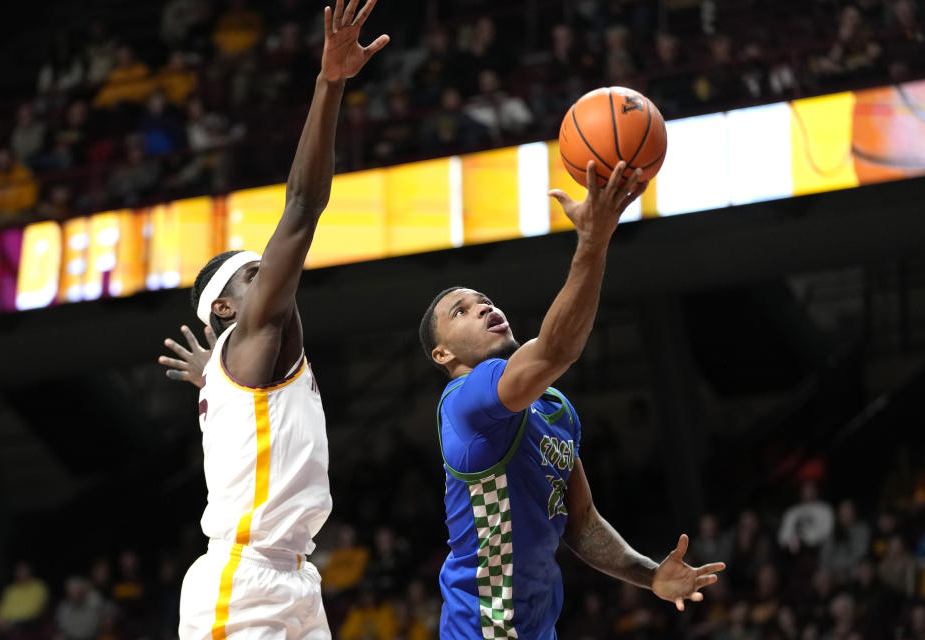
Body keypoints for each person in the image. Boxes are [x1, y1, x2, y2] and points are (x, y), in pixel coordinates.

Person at [417, 160, 726, 638]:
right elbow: (557, 348)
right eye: (462, 310)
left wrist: (650, 577)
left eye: (484, 300)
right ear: (442, 353)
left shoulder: (555, 408)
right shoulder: (464, 401)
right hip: (484, 630)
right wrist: (594, 240)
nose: (483, 307)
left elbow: (581, 524)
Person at [160, 1, 389, 638]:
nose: (273, 276)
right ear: (227, 309)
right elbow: (301, 206)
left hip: (295, 578)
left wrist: (213, 376)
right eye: (254, 274)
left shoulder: (243, 360)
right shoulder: (254, 337)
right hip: (242, 581)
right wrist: (329, 84)